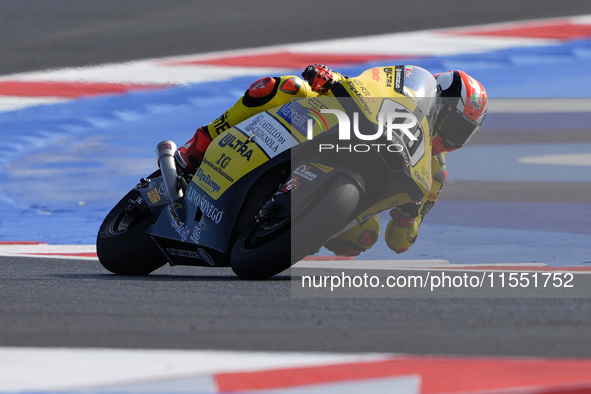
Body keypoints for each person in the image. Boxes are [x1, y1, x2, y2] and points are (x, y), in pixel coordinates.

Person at [174, 64, 488, 256]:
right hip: (339, 123)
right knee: (283, 88)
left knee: (363, 238)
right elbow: (369, 87)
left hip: (370, 175)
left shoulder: (434, 175)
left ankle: (294, 228)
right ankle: (198, 147)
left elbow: (400, 243)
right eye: (452, 123)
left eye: (462, 132)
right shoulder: (404, 93)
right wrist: (330, 78)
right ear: (437, 105)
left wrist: (409, 215)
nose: (450, 137)